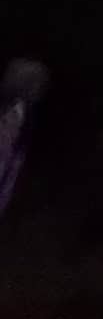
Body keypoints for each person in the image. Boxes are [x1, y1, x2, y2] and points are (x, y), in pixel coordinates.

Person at [0, 58, 46, 222]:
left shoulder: (27, 113)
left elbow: (16, 155)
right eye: (36, 83)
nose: (40, 88)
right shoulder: (9, 109)